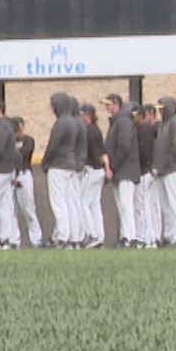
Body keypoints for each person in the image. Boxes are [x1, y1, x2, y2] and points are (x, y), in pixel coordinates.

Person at [43, 92, 86, 248]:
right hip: (70, 165)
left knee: (58, 202)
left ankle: (63, 236)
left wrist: (45, 162)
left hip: (58, 165)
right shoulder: (74, 122)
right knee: (70, 202)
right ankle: (74, 236)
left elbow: (53, 145)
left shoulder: (61, 122)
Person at [104, 94, 140, 247]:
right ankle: (125, 236)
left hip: (125, 171)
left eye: (109, 104)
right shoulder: (118, 121)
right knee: (122, 206)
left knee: (126, 205)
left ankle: (130, 237)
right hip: (121, 171)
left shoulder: (123, 122)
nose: (106, 107)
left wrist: (113, 166)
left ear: (117, 104)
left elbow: (123, 146)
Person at [154, 96, 176, 246]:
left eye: (162, 108)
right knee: (165, 205)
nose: (160, 110)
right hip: (161, 171)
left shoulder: (175, 124)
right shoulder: (162, 125)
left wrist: (166, 164)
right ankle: (168, 236)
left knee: (175, 203)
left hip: (172, 169)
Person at [0, 101, 21, 249]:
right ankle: (6, 238)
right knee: (4, 204)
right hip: (9, 168)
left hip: (0, 169)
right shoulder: (9, 125)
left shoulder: (1, 126)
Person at [11, 117, 46, 247]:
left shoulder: (28, 140)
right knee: (10, 209)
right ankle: (13, 239)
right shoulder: (9, 141)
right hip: (10, 175)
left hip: (24, 174)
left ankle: (36, 239)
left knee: (28, 208)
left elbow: (23, 154)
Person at [80, 102, 108, 248]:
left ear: (88, 115)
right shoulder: (96, 129)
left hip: (92, 170)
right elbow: (103, 152)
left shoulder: (89, 130)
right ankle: (99, 235)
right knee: (94, 204)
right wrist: (107, 168)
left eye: (82, 114)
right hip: (100, 170)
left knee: (82, 202)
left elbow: (96, 153)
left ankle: (92, 235)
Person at [135, 103, 161, 248]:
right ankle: (152, 238)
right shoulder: (155, 129)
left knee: (145, 206)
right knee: (151, 205)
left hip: (146, 171)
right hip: (152, 170)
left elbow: (144, 152)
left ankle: (147, 239)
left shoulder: (148, 129)